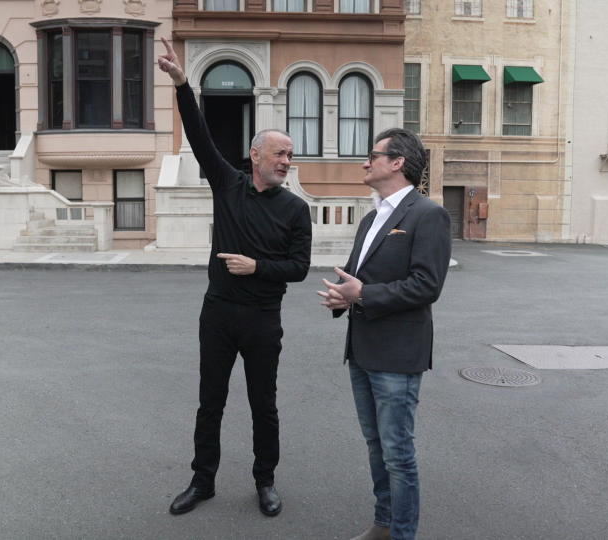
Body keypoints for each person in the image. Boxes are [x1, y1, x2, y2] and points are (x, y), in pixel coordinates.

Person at [157, 37, 312, 518]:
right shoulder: (227, 185)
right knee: (211, 404)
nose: (286, 160)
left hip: (264, 319)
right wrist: (184, 85)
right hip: (219, 314)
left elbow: (300, 268)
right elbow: (200, 136)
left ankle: (265, 481)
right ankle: (202, 481)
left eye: (290, 154)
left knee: (264, 406)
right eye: (279, 153)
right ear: (255, 155)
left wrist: (258, 267)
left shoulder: (296, 209)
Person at [317, 128, 451, 540]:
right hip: (362, 350)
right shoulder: (373, 217)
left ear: (397, 163)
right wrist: (348, 298)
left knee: (397, 452)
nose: (365, 162)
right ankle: (384, 524)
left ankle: (402, 534)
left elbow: (427, 286)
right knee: (376, 447)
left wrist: (364, 293)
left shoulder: (428, 215)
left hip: (397, 354)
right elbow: (362, 279)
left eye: (372, 155)